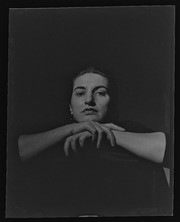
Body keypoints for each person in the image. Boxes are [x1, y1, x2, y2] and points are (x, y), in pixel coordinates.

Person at [17, 67, 171, 216]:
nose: (89, 100)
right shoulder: (53, 136)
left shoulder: (128, 129)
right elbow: (13, 153)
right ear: (70, 107)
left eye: (100, 92)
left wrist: (106, 132)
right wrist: (71, 129)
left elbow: (169, 151)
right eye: (80, 93)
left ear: (111, 104)